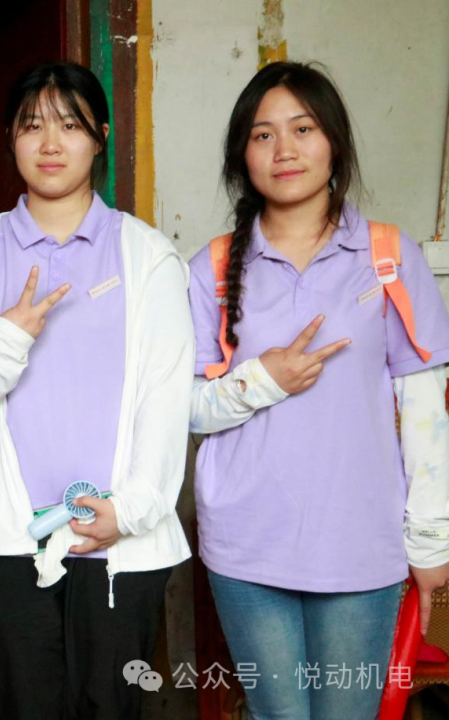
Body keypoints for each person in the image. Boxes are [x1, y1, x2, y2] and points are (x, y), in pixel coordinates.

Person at [0, 62, 194, 719]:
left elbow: (166, 398)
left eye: (70, 125)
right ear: (11, 139)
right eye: (32, 126)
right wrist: (8, 338)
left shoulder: (150, 257)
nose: (50, 143)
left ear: (101, 136)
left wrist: (129, 511)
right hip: (5, 540)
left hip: (121, 540)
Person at [189, 61, 449, 719]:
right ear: (241, 154)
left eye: (302, 129)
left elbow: (426, 413)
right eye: (263, 134)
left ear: (334, 140)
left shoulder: (390, 257)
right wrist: (263, 380)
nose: (285, 150)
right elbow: (184, 409)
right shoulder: (212, 268)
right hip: (246, 544)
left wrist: (430, 541)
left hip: (362, 543)